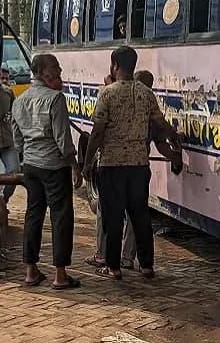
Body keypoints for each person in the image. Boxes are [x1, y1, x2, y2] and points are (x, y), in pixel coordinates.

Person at [82, 46, 174, 280]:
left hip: (111, 166)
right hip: (139, 166)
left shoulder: (108, 93)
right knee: (140, 216)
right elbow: (160, 122)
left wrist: (87, 161)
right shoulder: (145, 93)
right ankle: (146, 266)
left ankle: (113, 267)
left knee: (112, 218)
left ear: (114, 65)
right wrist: (175, 139)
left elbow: (97, 132)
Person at [11, 53, 82, 290]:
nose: (60, 70)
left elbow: (17, 137)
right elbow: (63, 138)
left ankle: (30, 271)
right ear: (43, 72)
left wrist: (26, 156)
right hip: (54, 166)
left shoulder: (19, 100)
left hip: (31, 166)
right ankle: (60, 275)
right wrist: (74, 166)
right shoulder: (55, 99)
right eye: (55, 67)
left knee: (33, 215)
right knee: (61, 217)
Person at [0, 68, 19, 203]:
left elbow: (15, 115)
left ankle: (3, 199)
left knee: (14, 171)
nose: (5, 81)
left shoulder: (8, 93)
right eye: (2, 78)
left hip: (7, 141)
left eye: (6, 78)